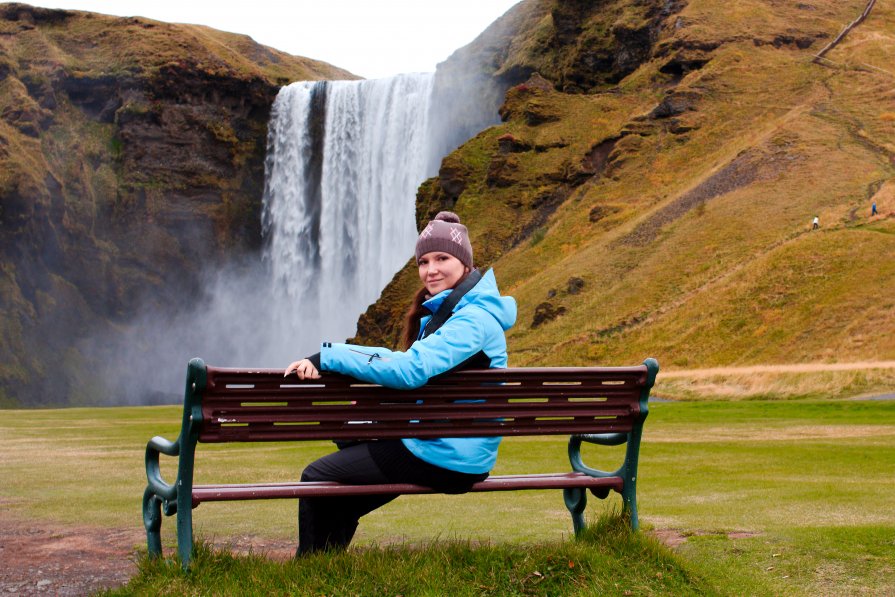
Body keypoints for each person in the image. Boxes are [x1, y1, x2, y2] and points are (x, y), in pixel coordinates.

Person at [284, 211, 517, 555]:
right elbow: (406, 362)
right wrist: (332, 359)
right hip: (448, 445)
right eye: (423, 261)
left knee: (317, 477)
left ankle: (309, 571)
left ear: (466, 265)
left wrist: (330, 358)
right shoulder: (461, 313)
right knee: (348, 438)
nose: (431, 270)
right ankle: (327, 566)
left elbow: (410, 368)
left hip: (445, 456)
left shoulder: (472, 321)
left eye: (442, 258)